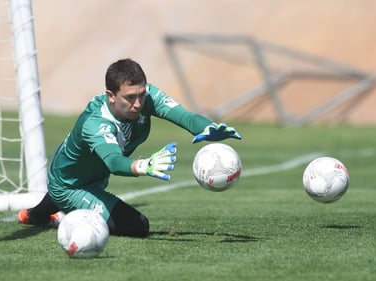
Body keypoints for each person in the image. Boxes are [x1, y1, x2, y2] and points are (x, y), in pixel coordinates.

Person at [17, 58, 241, 237]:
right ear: (111, 96)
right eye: (130, 97)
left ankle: (34, 215)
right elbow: (114, 162)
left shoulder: (147, 96)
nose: (138, 103)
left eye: (142, 94)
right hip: (70, 186)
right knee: (138, 226)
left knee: (74, 186)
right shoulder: (96, 123)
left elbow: (183, 116)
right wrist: (145, 165)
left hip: (91, 175)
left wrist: (208, 128)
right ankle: (66, 212)